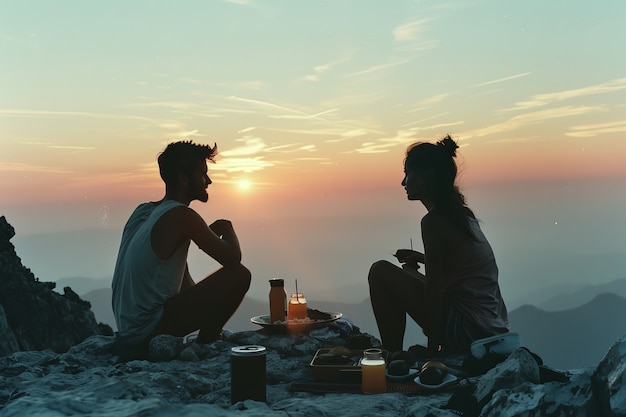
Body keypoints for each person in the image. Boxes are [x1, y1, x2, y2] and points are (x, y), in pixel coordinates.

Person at [367, 134, 509, 354]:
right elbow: (464, 270)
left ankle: (391, 355)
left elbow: (433, 291)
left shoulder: (434, 222)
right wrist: (423, 259)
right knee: (406, 271)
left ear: (425, 177)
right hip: (491, 330)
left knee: (380, 271)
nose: (403, 182)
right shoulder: (461, 215)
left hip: (468, 331)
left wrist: (434, 352)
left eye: (408, 173)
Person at [112, 140, 251, 359]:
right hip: (145, 333)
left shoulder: (144, 212)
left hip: (128, 331)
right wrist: (227, 227)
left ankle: (209, 335)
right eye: (203, 174)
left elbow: (182, 280)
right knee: (241, 275)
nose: (209, 181)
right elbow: (233, 259)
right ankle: (209, 340)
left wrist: (206, 306)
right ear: (184, 179)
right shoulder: (182, 216)